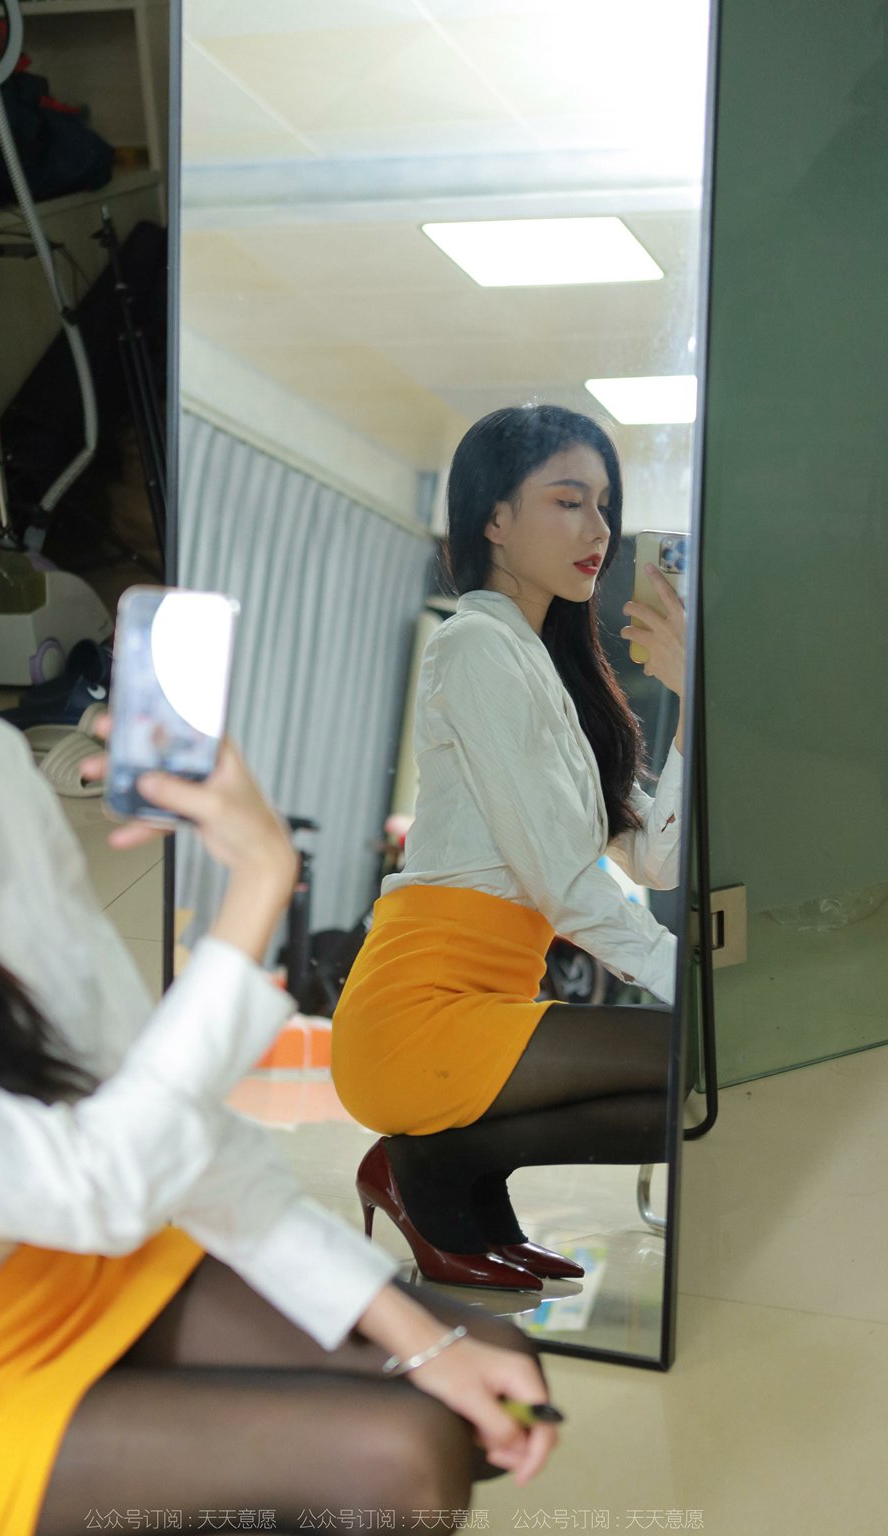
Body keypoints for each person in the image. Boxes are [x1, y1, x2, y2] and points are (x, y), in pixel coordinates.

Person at [0, 379, 558, 1536]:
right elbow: (95, 1182)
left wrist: (415, 1332)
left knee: (490, 1369)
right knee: (398, 1460)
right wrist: (254, 890)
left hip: (86, 1245)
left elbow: (140, 1093)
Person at [331, 404, 686, 1290]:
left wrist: (689, 693)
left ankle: (447, 1173)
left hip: (484, 1010)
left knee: (701, 1077)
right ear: (494, 518)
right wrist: (691, 981)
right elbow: (564, 881)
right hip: (416, 1015)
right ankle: (436, 1166)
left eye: (605, 505)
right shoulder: (476, 646)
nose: (599, 530)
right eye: (569, 501)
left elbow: (659, 860)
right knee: (700, 1066)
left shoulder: (548, 671)